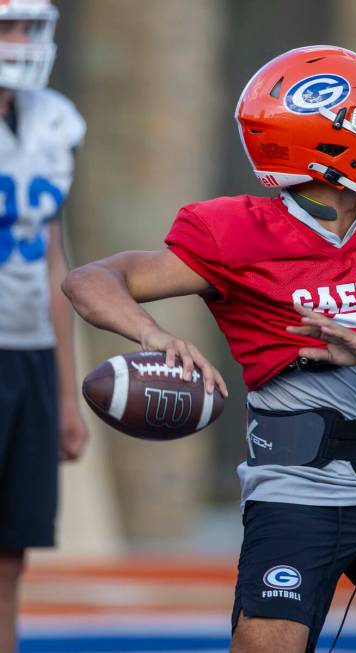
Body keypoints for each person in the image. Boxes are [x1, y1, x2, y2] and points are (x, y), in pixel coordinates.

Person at [63, 46, 356, 653]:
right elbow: (89, 279)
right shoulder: (234, 233)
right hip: (296, 494)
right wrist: (156, 335)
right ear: (322, 148)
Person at [0, 1, 87, 650]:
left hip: (29, 352)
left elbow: (56, 260)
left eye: (30, 26)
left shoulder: (53, 120)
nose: (24, 40)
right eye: (10, 26)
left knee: (11, 552)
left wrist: (65, 392)